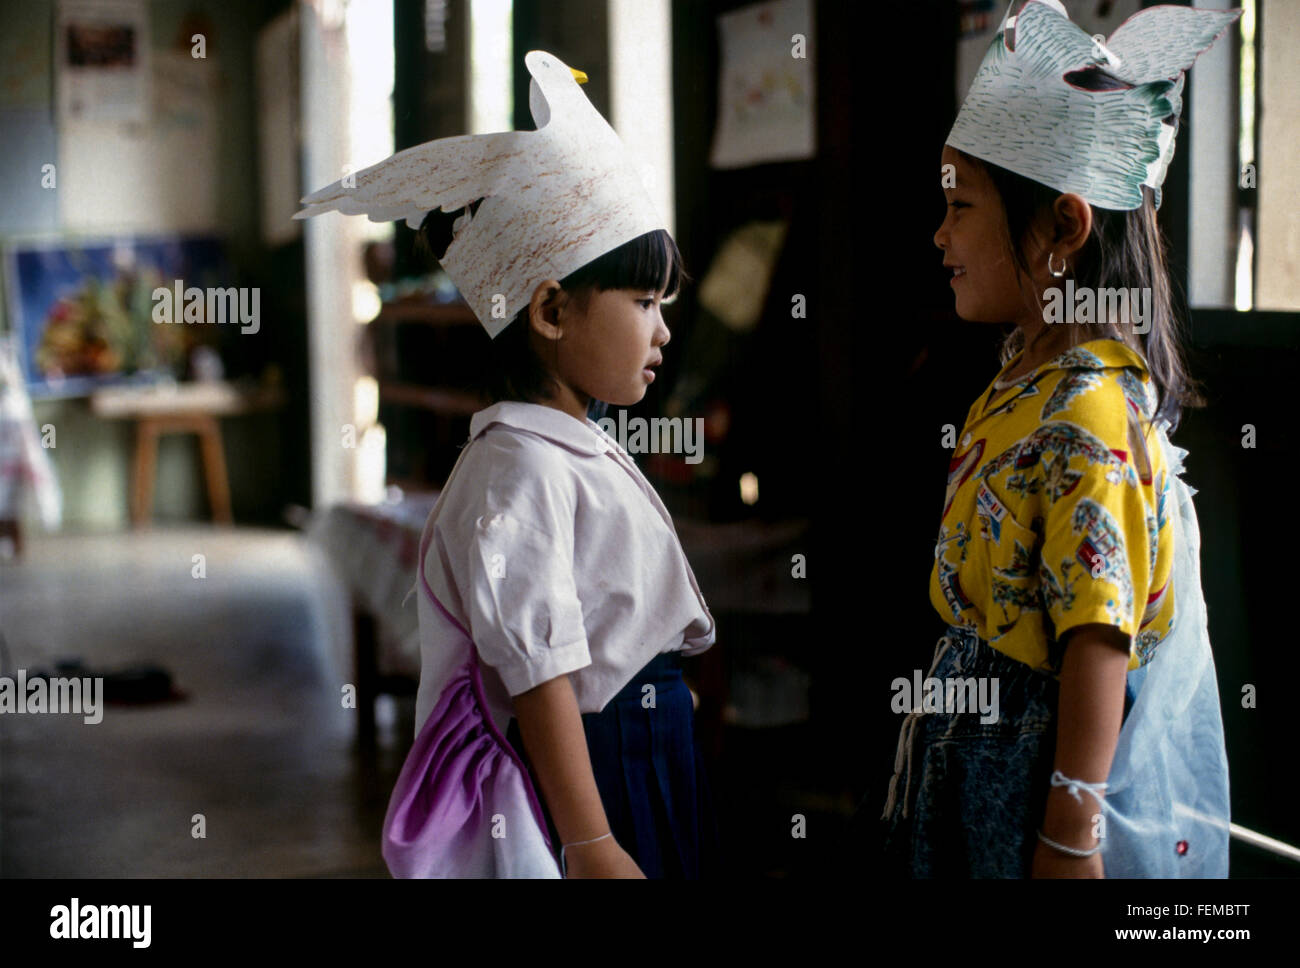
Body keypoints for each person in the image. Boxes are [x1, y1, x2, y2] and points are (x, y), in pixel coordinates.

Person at [295, 50, 717, 878]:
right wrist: (591, 842)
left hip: (647, 748)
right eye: (642, 303)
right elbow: (542, 671)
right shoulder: (517, 469)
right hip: (605, 773)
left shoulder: (572, 444)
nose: (663, 329)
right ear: (553, 310)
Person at [880, 0, 1235, 878]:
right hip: (975, 744)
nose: (940, 233)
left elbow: (1096, 642)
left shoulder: (1088, 419)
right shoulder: (1023, 377)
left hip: (1028, 769)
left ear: (1065, 230)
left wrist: (1068, 836)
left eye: (961, 206)